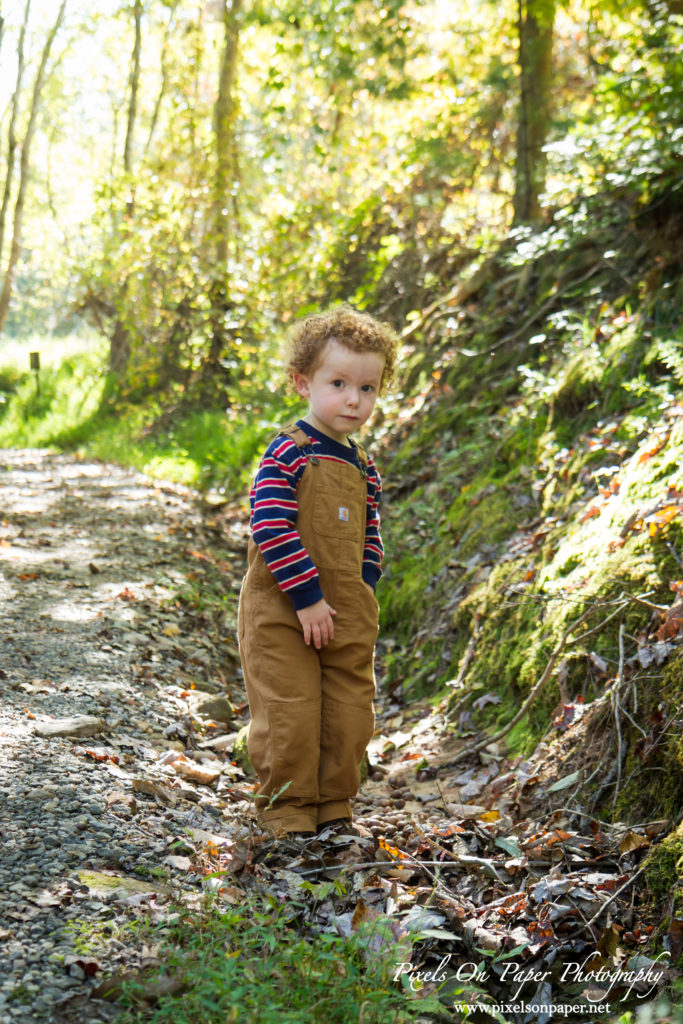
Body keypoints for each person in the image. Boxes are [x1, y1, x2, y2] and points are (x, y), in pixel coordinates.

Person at [237, 306, 399, 837]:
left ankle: (333, 804)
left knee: (349, 708)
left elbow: (370, 536)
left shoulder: (363, 466)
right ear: (302, 381)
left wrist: (364, 586)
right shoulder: (288, 451)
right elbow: (270, 523)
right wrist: (306, 596)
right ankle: (287, 810)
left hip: (345, 608)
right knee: (292, 708)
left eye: (368, 388)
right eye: (339, 383)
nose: (354, 399)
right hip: (286, 605)